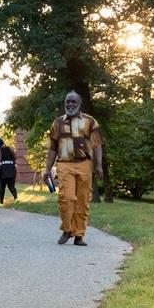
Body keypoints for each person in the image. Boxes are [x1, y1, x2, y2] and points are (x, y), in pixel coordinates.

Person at [42, 90, 103, 246]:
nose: (70, 104)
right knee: (67, 198)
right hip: (64, 164)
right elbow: (52, 149)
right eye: (68, 101)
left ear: (79, 104)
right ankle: (67, 229)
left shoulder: (90, 122)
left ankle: (79, 235)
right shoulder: (57, 123)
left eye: (73, 102)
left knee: (82, 201)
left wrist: (99, 165)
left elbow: (97, 145)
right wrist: (47, 169)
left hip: (85, 164)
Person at [0, 138, 18, 204]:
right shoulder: (9, 149)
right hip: (11, 170)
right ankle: (16, 198)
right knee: (11, 186)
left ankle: (1, 201)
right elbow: (15, 157)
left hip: (2, 171)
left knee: (2, 187)